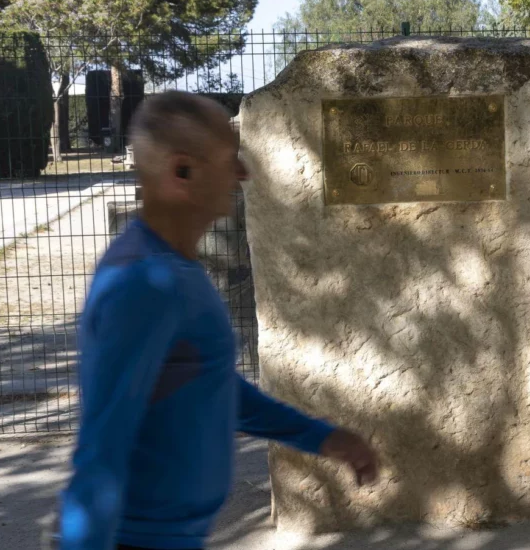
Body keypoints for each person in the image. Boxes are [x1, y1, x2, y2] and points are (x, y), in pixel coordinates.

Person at [54, 92, 378, 550]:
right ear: (182, 171)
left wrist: (324, 439)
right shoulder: (146, 283)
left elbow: (212, 385)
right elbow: (101, 452)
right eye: (230, 159)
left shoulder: (176, 270)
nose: (242, 173)